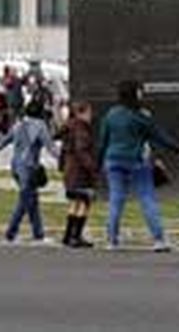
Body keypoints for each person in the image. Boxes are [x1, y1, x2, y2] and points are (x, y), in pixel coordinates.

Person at [97, 79, 179, 251]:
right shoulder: (140, 116)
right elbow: (159, 136)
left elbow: (103, 140)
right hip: (136, 160)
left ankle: (112, 240)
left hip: (112, 160)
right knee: (147, 198)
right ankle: (159, 239)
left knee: (115, 199)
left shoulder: (111, 114)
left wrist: (98, 163)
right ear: (136, 94)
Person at [0, 95, 59, 244]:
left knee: (32, 200)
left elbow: (3, 142)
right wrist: (63, 159)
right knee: (25, 201)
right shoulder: (40, 126)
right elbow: (51, 147)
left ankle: (38, 233)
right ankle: (10, 233)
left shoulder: (18, 125)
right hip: (30, 167)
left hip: (16, 166)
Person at [58, 100, 99, 248]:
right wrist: (93, 167)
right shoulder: (81, 129)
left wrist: (62, 166)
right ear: (82, 113)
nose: (91, 115)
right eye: (89, 112)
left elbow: (64, 151)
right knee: (83, 202)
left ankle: (68, 235)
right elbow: (82, 150)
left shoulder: (69, 127)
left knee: (74, 202)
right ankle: (76, 235)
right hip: (80, 171)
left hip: (70, 170)